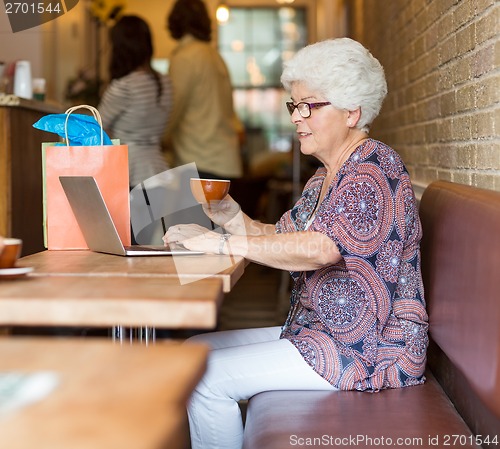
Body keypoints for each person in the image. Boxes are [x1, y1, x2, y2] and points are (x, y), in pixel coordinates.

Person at [163, 38, 429, 449]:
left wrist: (219, 247)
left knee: (206, 378)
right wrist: (230, 217)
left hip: (367, 350)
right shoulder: (324, 178)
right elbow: (283, 238)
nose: (297, 117)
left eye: (310, 105)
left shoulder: (375, 167)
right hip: (318, 334)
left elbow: (321, 248)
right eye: (294, 106)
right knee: (194, 351)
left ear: (352, 111)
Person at [164, 0, 243, 180]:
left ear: (175, 21)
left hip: (199, 160)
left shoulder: (184, 58)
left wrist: (156, 139)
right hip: (226, 160)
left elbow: (172, 110)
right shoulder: (216, 56)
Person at [98, 15, 173, 190]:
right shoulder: (165, 83)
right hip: (159, 169)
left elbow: (97, 128)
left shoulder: (123, 86)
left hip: (128, 171)